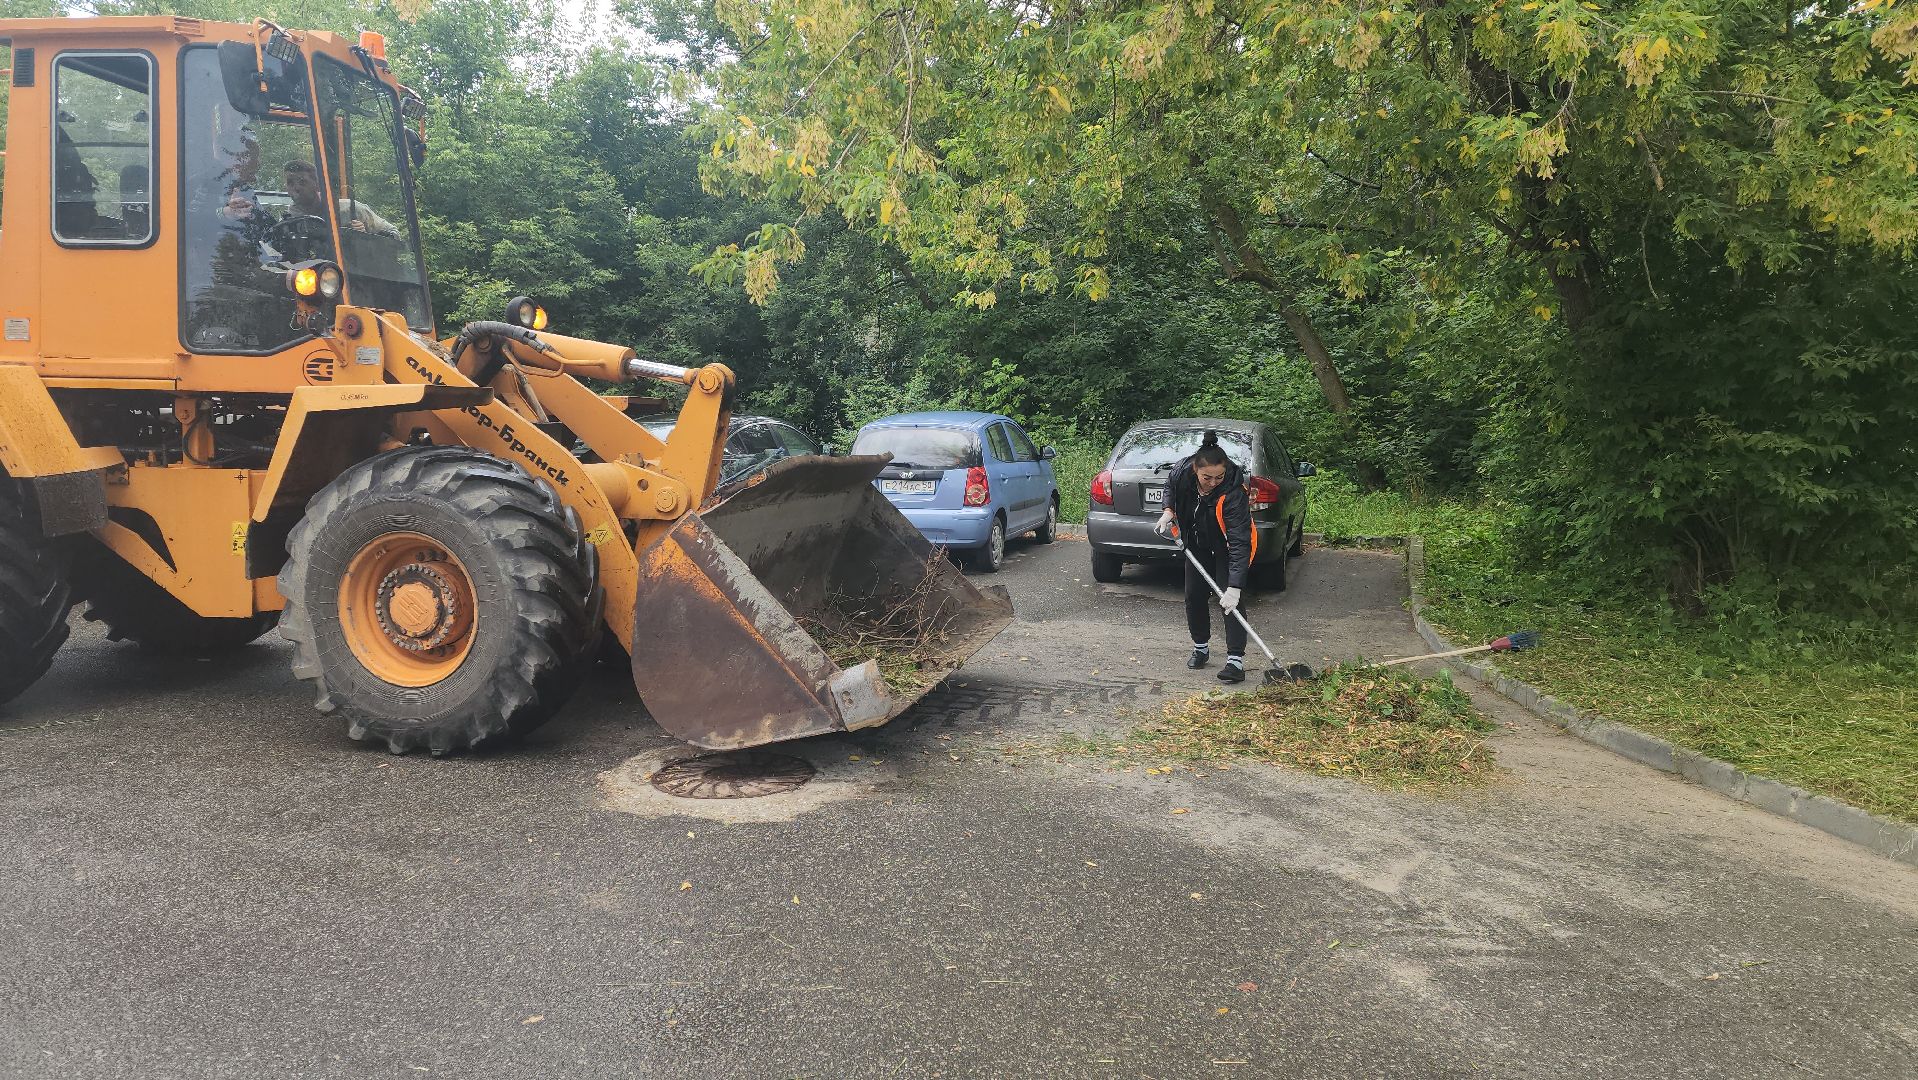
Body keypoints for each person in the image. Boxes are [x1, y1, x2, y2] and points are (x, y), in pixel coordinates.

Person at [1154, 431, 1256, 683]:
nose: (1213, 482)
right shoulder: (1182, 473)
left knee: (1230, 603)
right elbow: (1170, 486)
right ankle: (1200, 648)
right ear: (1195, 470)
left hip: (1225, 551)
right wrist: (1168, 511)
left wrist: (1235, 586)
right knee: (1194, 597)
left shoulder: (1233, 493)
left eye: (1218, 477)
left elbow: (1241, 543)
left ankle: (1235, 661)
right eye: (1206, 477)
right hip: (1196, 548)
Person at [283, 159, 398, 237]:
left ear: (317, 184)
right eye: (290, 183)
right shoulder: (286, 224)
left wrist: (365, 237)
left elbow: (393, 234)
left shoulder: (350, 209)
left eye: (302, 182)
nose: (296, 187)